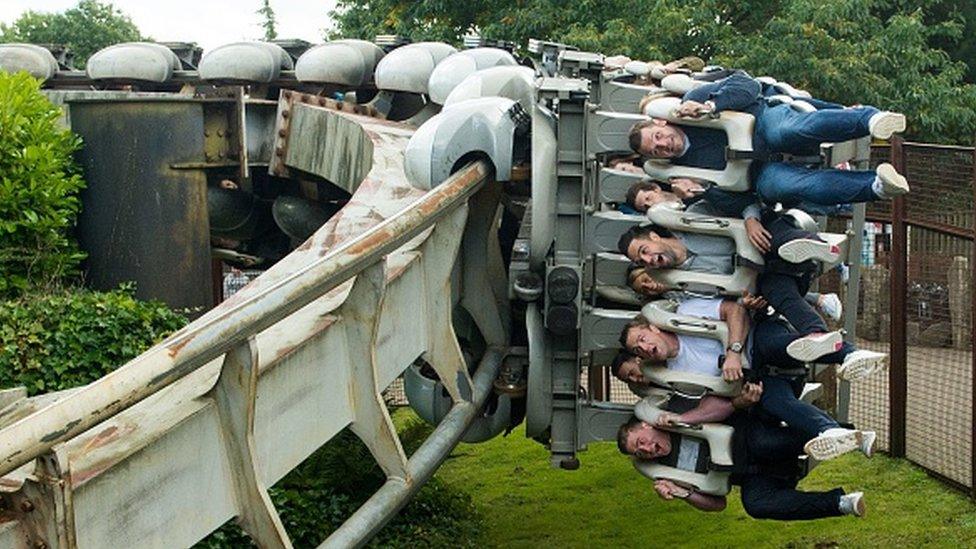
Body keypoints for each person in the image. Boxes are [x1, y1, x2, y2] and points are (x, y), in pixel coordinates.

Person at [618, 298, 883, 455]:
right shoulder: (671, 376)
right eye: (636, 350)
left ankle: (849, 355)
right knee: (776, 403)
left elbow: (734, 310)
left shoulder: (684, 312)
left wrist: (734, 350)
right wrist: (683, 419)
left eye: (641, 338)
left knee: (779, 347)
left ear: (653, 328)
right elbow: (714, 403)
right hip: (755, 380)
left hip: (757, 339)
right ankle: (836, 432)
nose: (642, 347)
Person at [628, 71, 910, 212]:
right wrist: (702, 193)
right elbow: (735, 202)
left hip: (762, 123)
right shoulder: (682, 173)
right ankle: (876, 187)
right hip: (760, 174)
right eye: (657, 150)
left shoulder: (691, 103)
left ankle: (871, 120)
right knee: (790, 185)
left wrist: (713, 105)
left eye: (658, 136)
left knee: (787, 131)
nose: (663, 144)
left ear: (660, 123)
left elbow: (746, 84)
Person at [617, 413, 867, 520]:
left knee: (763, 442)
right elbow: (718, 504)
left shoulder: (674, 416)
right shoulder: (664, 473)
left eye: (642, 442)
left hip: (749, 440)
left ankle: (848, 437)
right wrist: (684, 493)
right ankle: (840, 503)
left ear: (647, 425)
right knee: (755, 505)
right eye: (640, 452)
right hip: (752, 474)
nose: (647, 450)